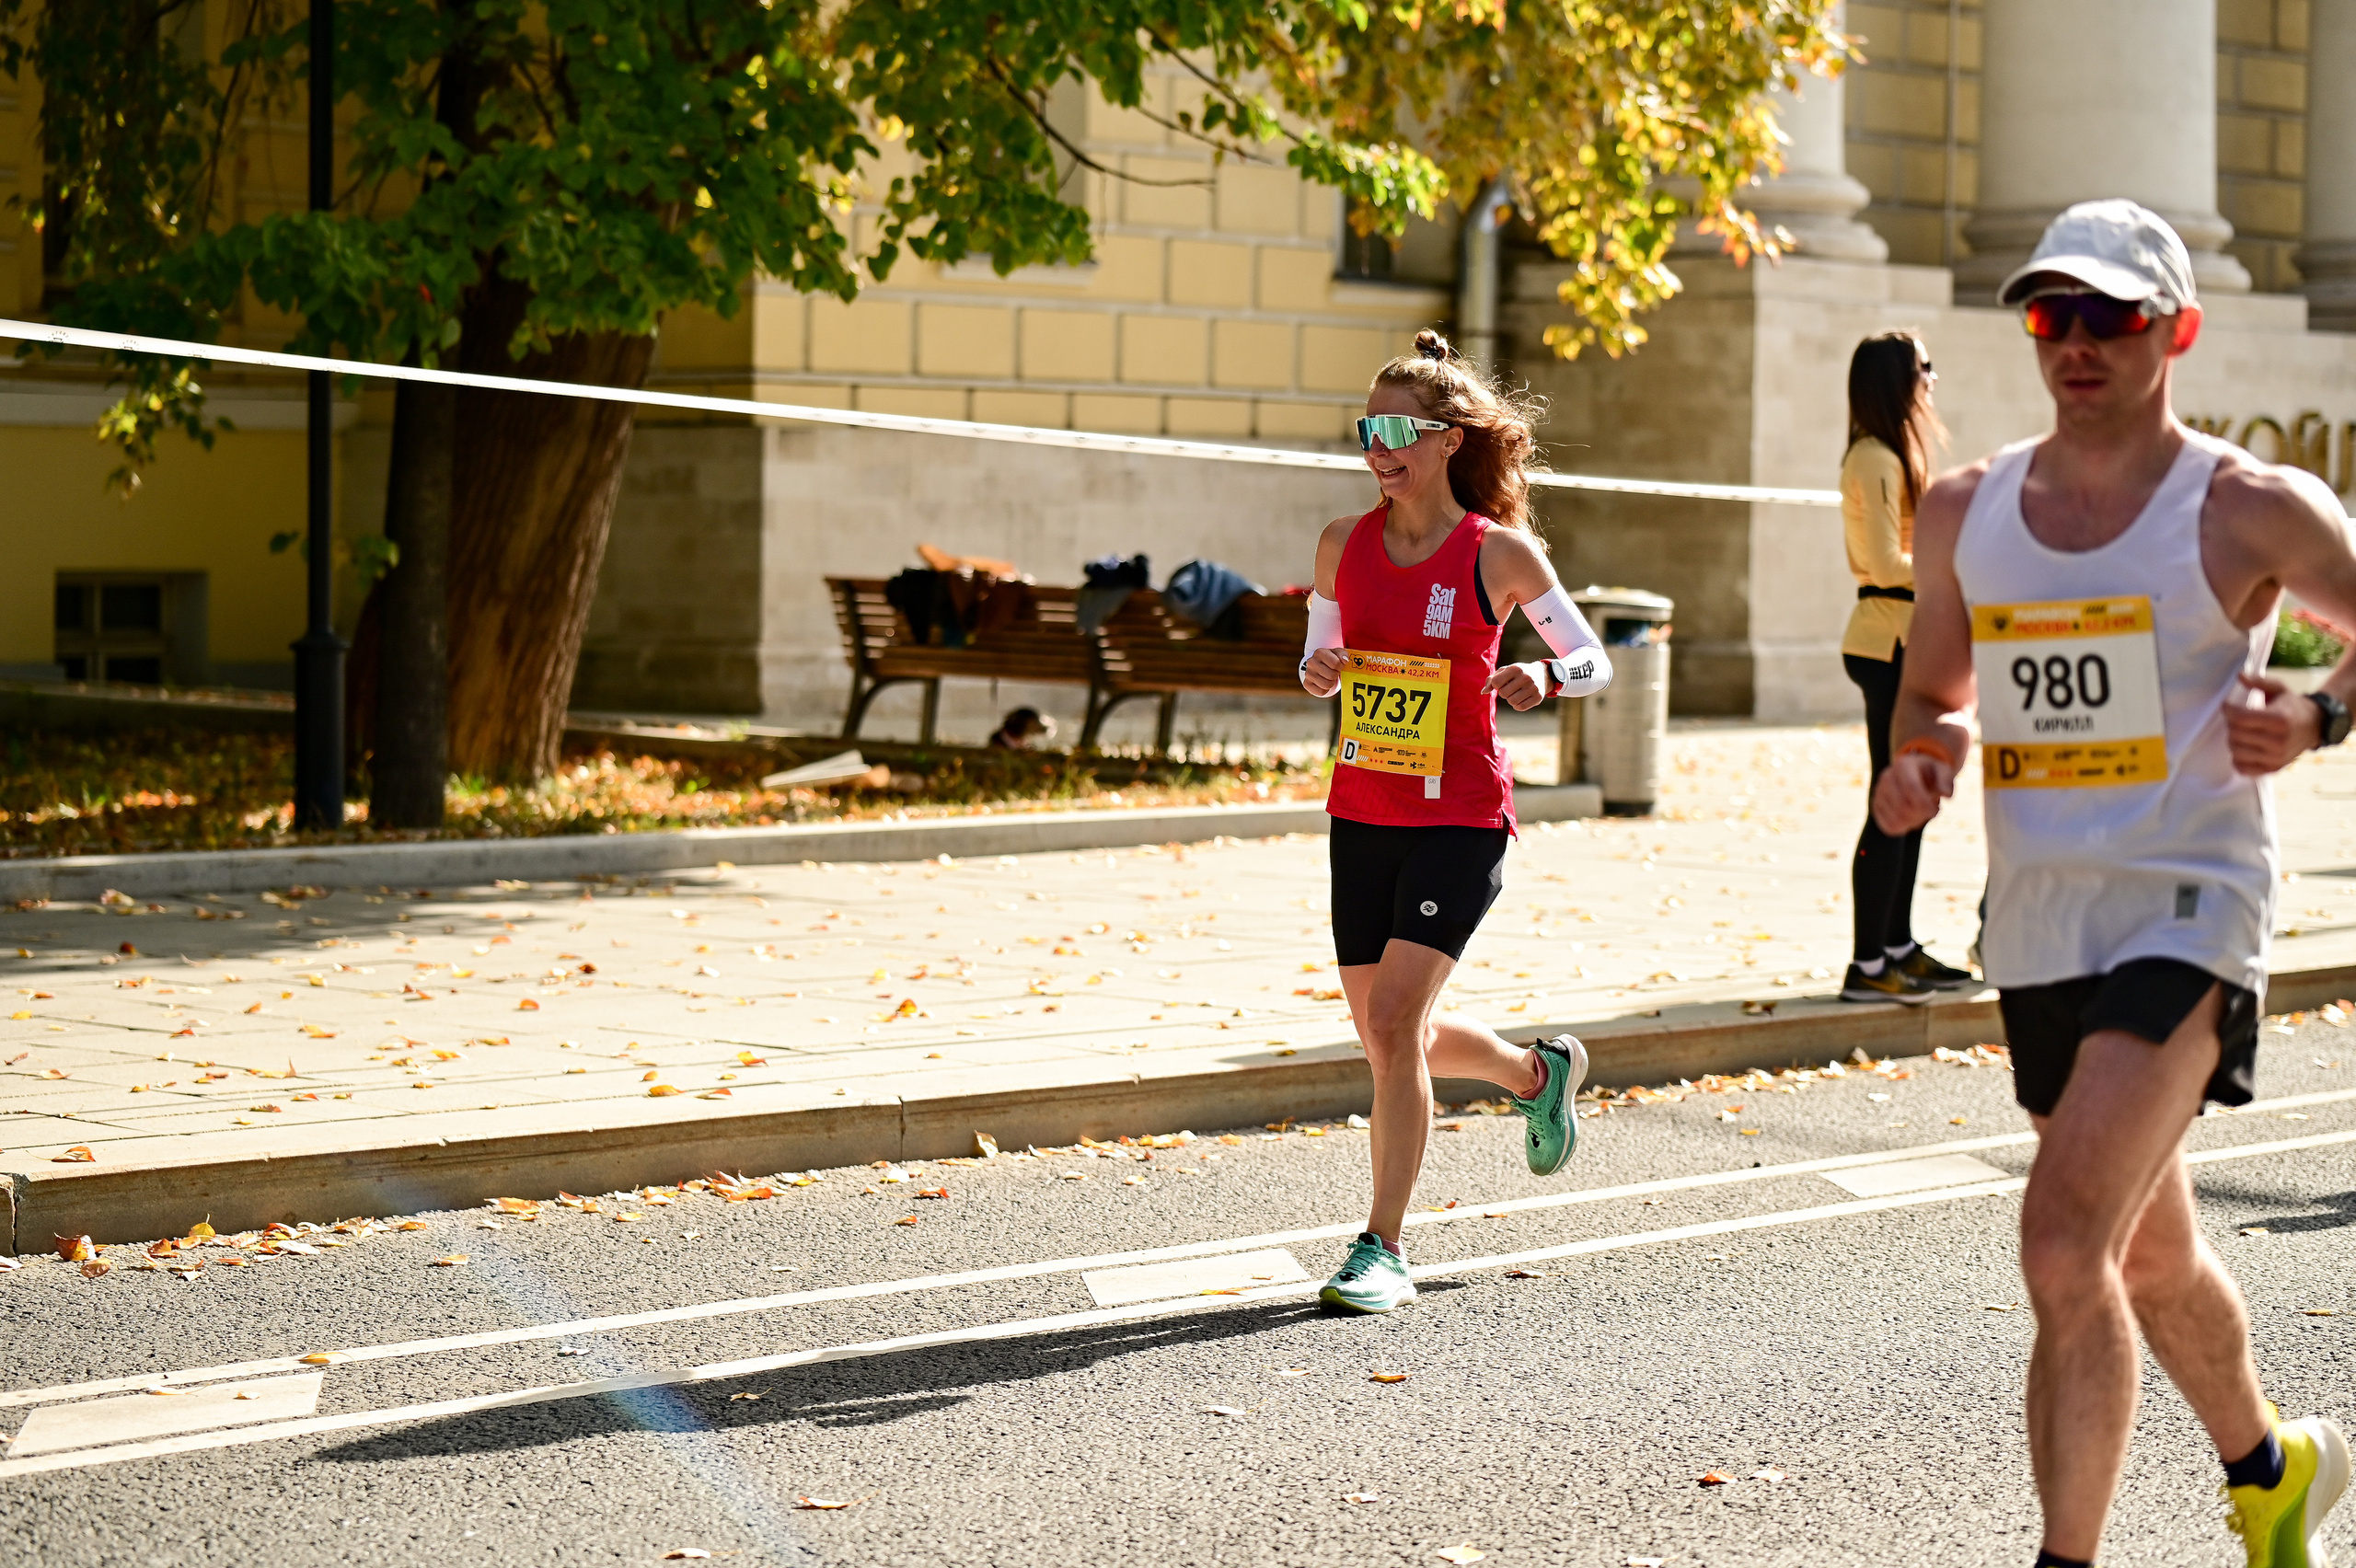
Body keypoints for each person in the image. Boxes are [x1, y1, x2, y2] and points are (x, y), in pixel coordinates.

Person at [1873, 200, 2353, 1567]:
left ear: (2175, 331)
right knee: (2142, 1256)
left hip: (2190, 903)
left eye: (2111, 317)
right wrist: (1919, 765)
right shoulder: (1967, 511)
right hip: (2040, 920)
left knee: (2059, 1242)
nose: (2076, 343)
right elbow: (1937, 695)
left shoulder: (2247, 504)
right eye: (2050, 315)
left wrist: (2319, 716)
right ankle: (2273, 1468)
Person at [1297, 329, 1614, 1315]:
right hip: (1363, 809)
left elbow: (1593, 661)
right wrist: (1316, 671)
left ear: (1444, 439)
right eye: (1366, 429)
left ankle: (1381, 1248)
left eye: (1395, 428)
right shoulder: (1338, 544)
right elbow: (1320, 655)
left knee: (1394, 1027)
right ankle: (1534, 1073)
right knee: (1394, 1041)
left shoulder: (1497, 553)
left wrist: (1542, 673)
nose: (1376, 447)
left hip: (1460, 818)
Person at [1838, 331, 1978, 1004]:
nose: (1932, 378)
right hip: (1884, 641)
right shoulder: (1872, 457)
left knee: (1913, 804)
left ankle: (1897, 947)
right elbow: (1882, 562)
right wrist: (1954, 572)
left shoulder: (1892, 453)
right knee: (1891, 803)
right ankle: (1868, 964)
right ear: (1898, 379)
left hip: (1905, 638)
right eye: (1925, 367)